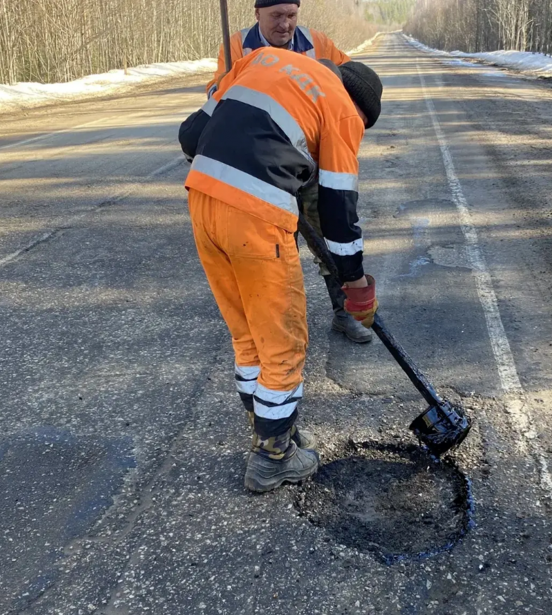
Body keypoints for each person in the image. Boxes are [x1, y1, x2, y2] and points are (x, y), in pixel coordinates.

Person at [179, 49, 383, 492]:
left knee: (249, 335)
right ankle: (274, 458)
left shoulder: (264, 59)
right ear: (362, 112)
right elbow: (337, 210)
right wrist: (355, 282)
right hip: (254, 217)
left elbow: (190, 135)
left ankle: (272, 430)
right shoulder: (344, 111)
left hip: (202, 203)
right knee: (284, 344)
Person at [208, 0, 372, 345]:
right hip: (263, 171)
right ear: (257, 14)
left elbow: (352, 82)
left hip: (312, 168)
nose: (285, 25)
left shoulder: (316, 42)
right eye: (276, 17)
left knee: (330, 236)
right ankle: (279, 328)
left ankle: (343, 312)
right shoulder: (236, 46)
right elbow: (214, 95)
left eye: (291, 15)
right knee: (275, 250)